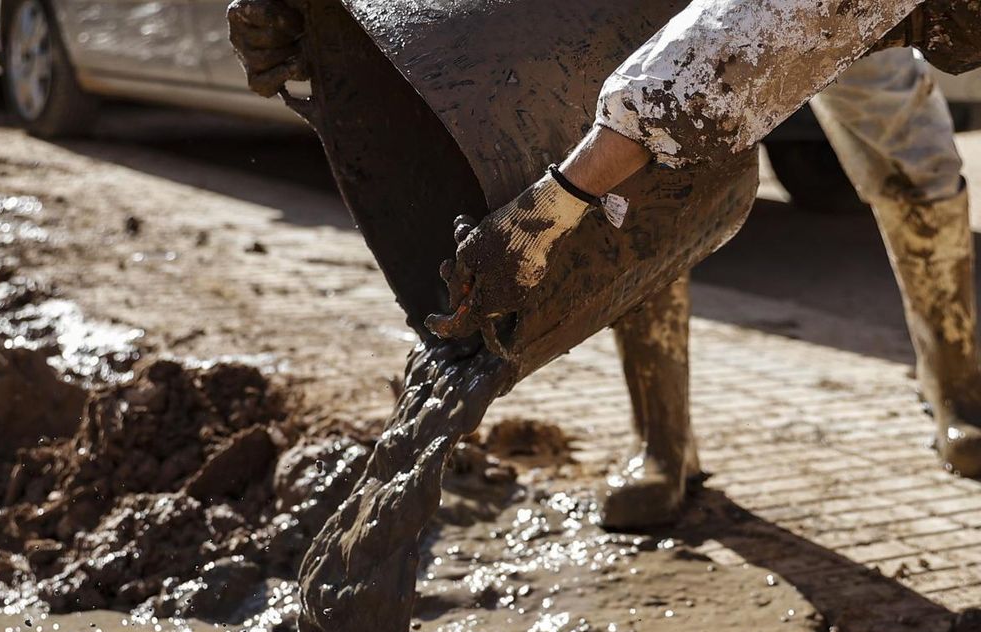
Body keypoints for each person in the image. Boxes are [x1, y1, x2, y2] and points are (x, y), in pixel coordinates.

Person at [229, 0, 981, 528]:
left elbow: (707, 61)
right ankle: (663, 444)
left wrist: (550, 206)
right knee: (644, 190)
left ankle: (959, 387)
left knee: (906, 159)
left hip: (812, 13)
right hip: (675, 14)